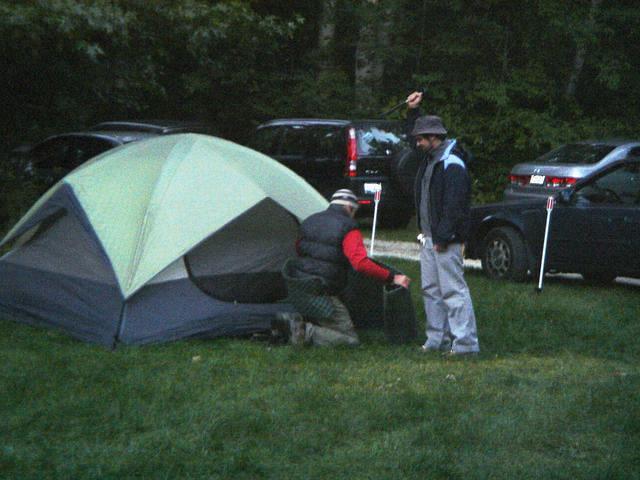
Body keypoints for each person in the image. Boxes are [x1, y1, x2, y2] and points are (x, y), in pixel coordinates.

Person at [275, 189, 410, 346]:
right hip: (322, 291)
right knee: (350, 340)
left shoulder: (309, 221)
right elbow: (360, 263)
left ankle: (297, 323)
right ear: (350, 208)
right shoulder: (348, 227)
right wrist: (392, 277)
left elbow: (299, 249)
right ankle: (303, 331)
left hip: (299, 285)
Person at [405, 91, 480, 356]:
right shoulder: (430, 158)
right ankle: (437, 339)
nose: (417, 144)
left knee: (453, 291)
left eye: (421, 139)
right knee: (431, 291)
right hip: (429, 237)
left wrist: (443, 236)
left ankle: (465, 344)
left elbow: (455, 206)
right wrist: (413, 112)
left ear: (434, 138)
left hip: (444, 239)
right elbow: (412, 136)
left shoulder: (452, 163)